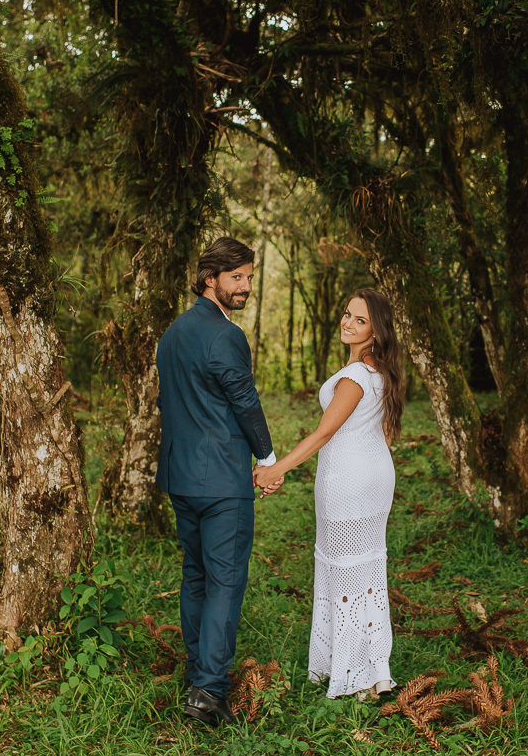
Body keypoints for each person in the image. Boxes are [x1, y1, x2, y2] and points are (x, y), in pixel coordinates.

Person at [155, 236, 283, 726]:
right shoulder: (224, 335)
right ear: (210, 279)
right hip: (221, 480)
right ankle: (208, 693)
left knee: (197, 574)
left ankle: (197, 674)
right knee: (224, 581)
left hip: (181, 476)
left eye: (249, 276)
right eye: (236, 277)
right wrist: (267, 458)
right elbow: (244, 400)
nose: (245, 286)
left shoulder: (172, 333)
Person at [253, 287, 403, 700]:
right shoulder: (379, 372)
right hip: (374, 477)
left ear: (376, 331)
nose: (348, 323)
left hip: (349, 482)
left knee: (345, 570)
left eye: (360, 320)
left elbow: (324, 433)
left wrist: (274, 470)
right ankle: (368, 668)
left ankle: (353, 673)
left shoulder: (355, 377)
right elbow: (383, 433)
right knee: (365, 570)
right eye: (348, 314)